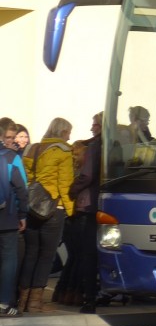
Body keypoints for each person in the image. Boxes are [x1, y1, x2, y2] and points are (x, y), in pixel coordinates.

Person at [16, 117, 74, 313]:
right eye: (68, 133)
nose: (69, 137)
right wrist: (70, 210)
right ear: (63, 132)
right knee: (46, 256)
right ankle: (35, 303)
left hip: (32, 207)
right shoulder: (64, 151)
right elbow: (65, 184)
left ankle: (22, 300)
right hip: (54, 209)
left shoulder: (32, 149)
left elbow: (26, 178)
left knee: (31, 253)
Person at [59, 113, 102, 311]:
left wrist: (72, 190)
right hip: (103, 205)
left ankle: (87, 297)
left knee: (84, 254)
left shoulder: (93, 147)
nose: (92, 128)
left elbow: (87, 176)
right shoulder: (112, 145)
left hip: (86, 206)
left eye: (95, 125)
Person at [0, 138, 29, 316]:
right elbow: (21, 188)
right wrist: (22, 214)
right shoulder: (12, 157)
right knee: (8, 260)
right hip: (7, 218)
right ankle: (4, 303)